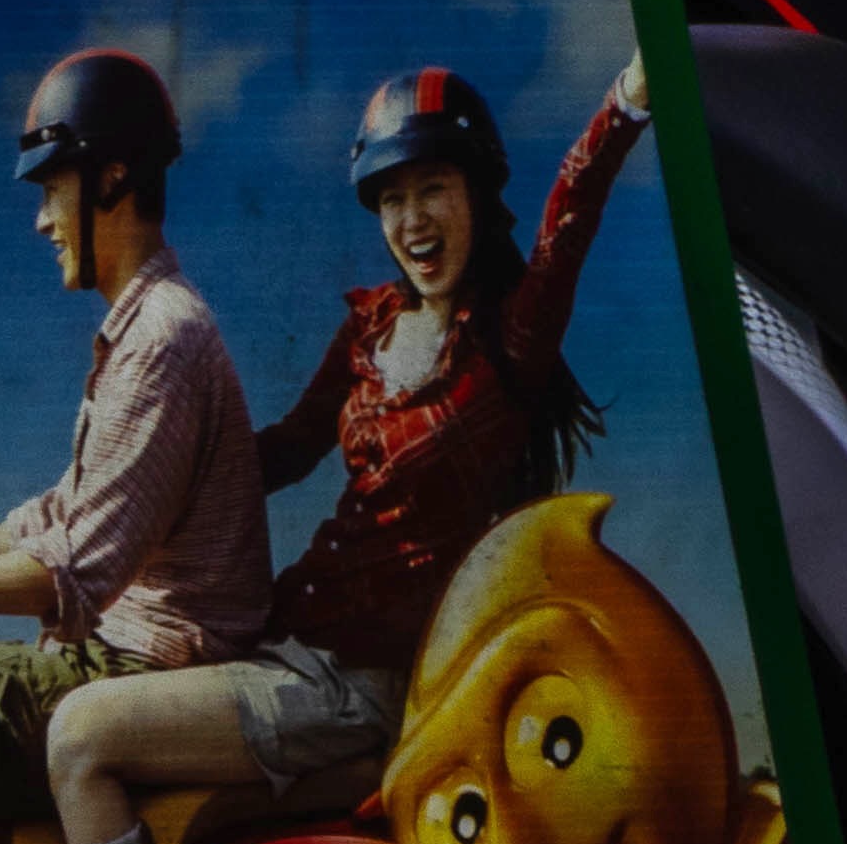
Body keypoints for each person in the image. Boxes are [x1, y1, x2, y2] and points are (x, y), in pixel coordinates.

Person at [0, 31, 372, 844]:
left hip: (150, 661)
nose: (41, 218)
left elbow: (70, 576)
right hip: (129, 643)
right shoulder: (134, 336)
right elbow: (50, 517)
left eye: (51, 190)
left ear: (110, 180)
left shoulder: (165, 343)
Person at [256, 56, 642, 688]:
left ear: (477, 196)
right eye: (392, 199)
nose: (413, 221)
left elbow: (572, 210)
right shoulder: (367, 327)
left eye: (433, 188)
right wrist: (174, 469)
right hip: (297, 621)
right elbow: (289, 449)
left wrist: (628, 98)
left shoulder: (511, 337)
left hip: (389, 667)